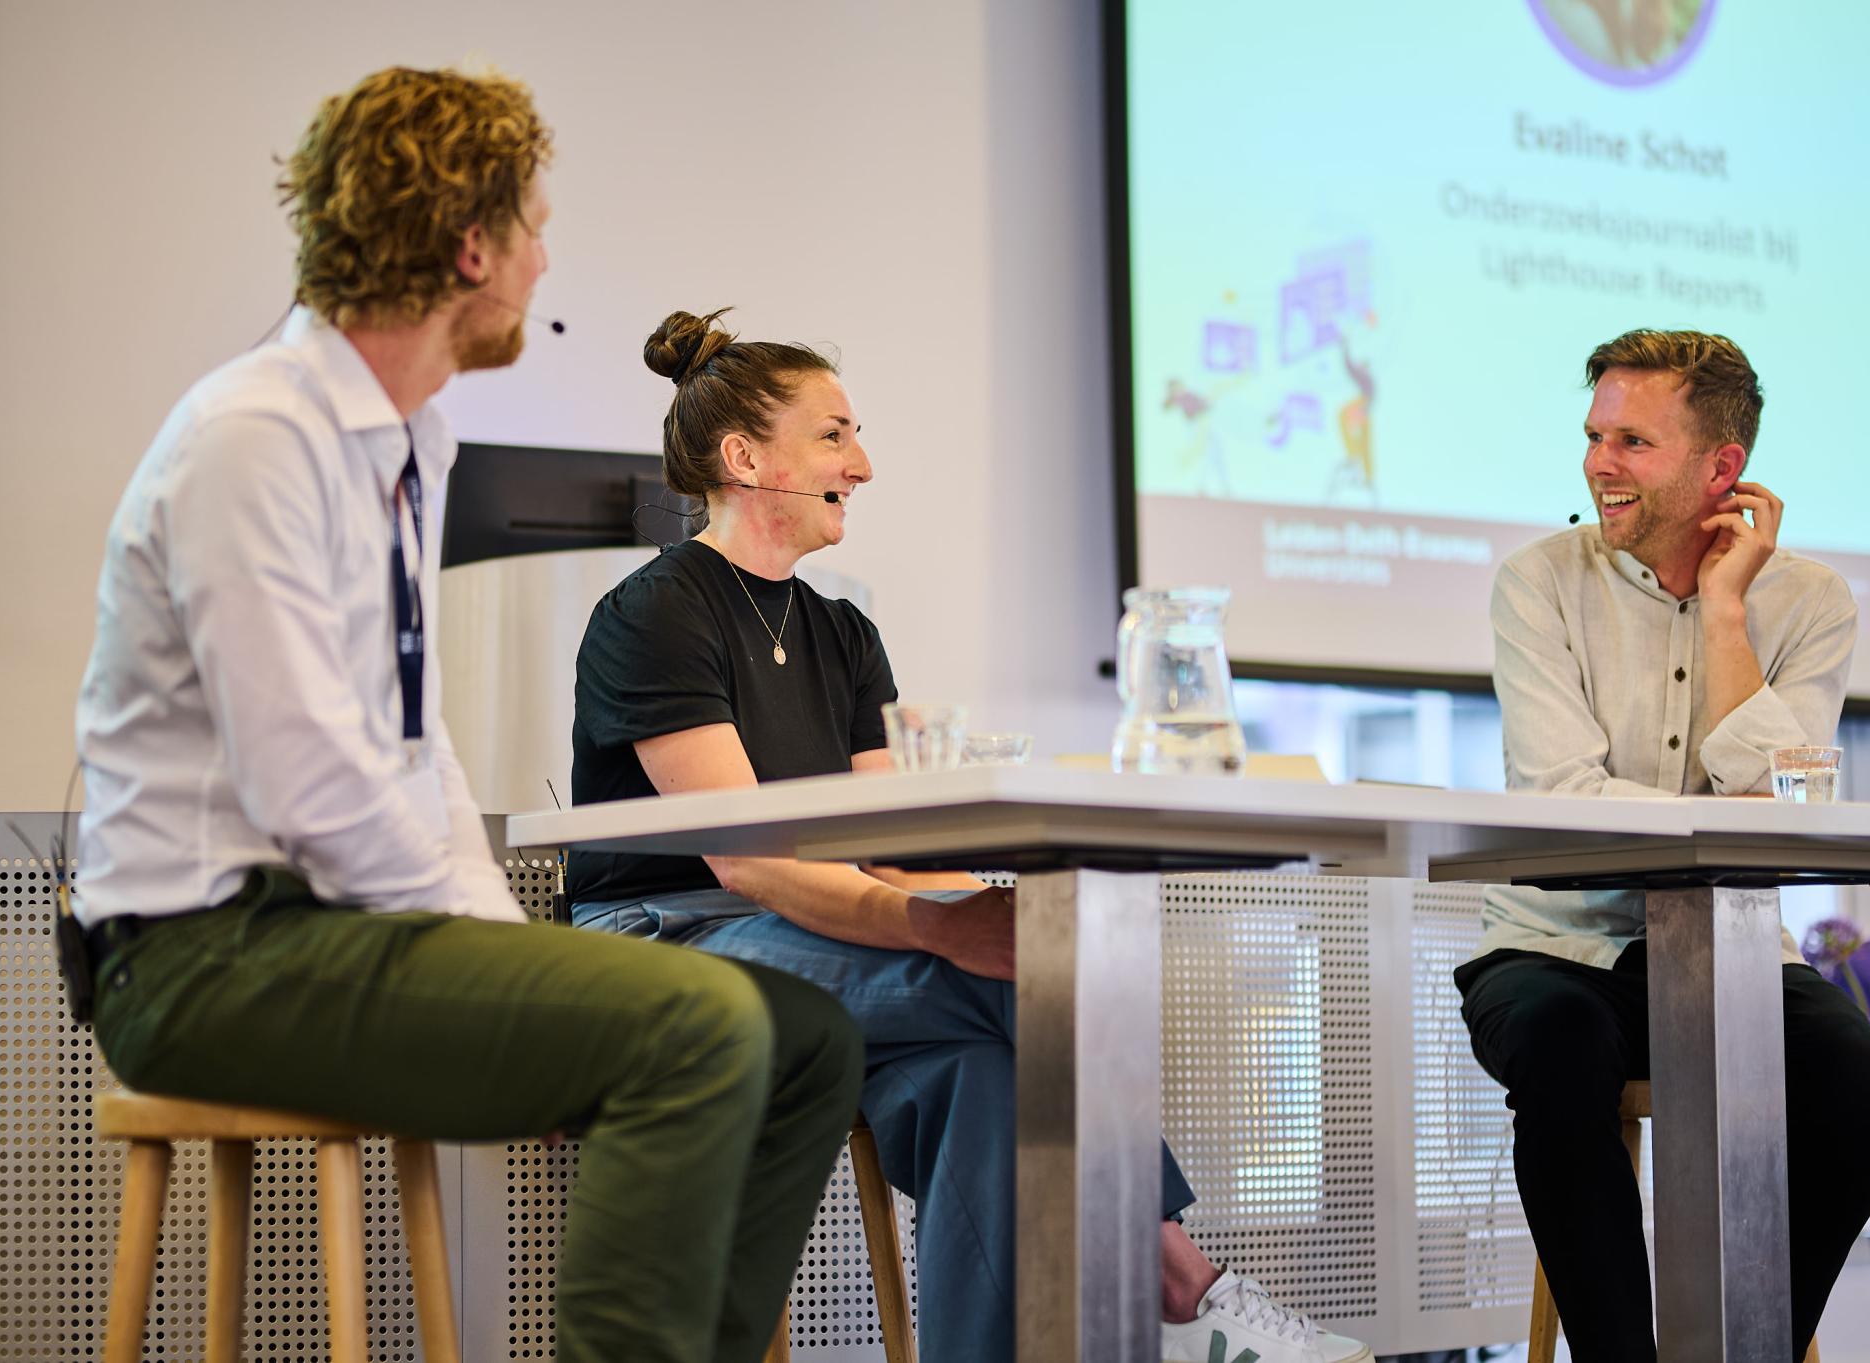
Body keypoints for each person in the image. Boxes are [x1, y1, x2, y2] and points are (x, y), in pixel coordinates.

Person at [72, 68, 863, 1363]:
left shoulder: (405, 438)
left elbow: (411, 753)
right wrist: (533, 989)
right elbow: (310, 792)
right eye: (536, 230)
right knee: (699, 1021)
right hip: (198, 953)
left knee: (810, 1040)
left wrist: (517, 963)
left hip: (318, 928)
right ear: (470, 243)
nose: (546, 263)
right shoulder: (255, 437)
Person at [568, 307, 1374, 1363]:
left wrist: (978, 905)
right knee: (1037, 981)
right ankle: (1184, 1283)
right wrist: (949, 932)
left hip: (819, 942)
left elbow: (893, 842)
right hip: (674, 937)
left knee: (985, 1080)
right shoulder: (656, 610)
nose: (861, 462)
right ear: (744, 457)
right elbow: (747, 858)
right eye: (834, 435)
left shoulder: (842, 629)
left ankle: (1154, 1303)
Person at [1455, 329, 1870, 1362]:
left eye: (1631, 441)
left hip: (1727, 950)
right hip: (1549, 946)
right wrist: (1731, 815)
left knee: (1859, 1085)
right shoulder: (1536, 583)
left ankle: (1740, 1348)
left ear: (1721, 468)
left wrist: (1722, 612)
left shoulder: (1808, 602)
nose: (1597, 464)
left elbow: (1770, 801)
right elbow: (1561, 794)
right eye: (1592, 435)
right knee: (1561, 1043)